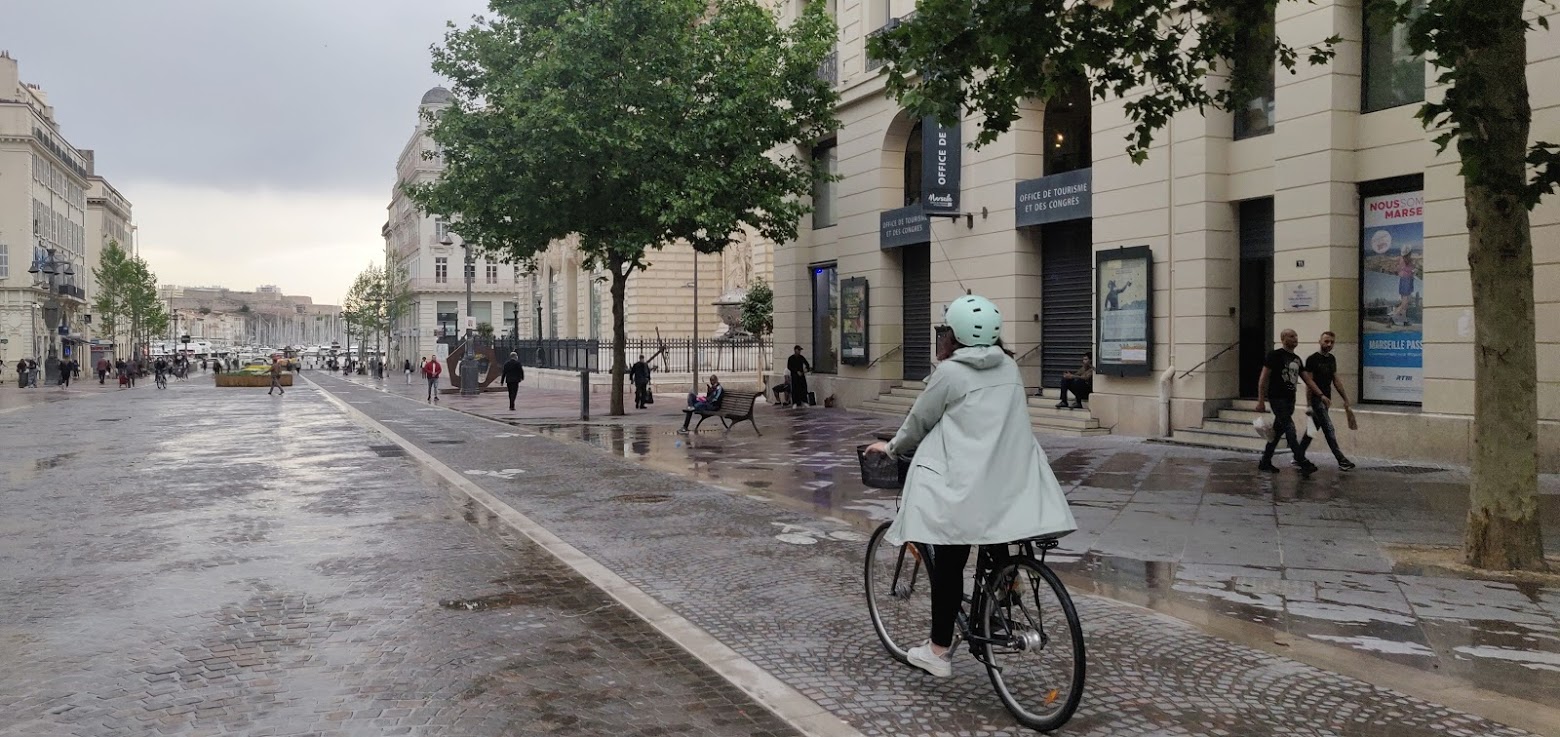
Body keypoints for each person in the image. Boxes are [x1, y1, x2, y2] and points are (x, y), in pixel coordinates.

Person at [864, 295, 1077, 678]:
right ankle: (1000, 599)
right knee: (996, 535)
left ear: (955, 335)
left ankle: (938, 651)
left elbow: (918, 422)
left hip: (964, 487)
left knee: (950, 560)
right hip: (1010, 483)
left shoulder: (950, 373)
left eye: (944, 330)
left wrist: (891, 447)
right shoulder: (1010, 367)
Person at [1255, 328, 1316, 475]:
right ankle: (1302, 461)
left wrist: (1320, 394)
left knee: (1277, 431)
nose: (1295, 338)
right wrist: (1261, 400)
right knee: (1290, 428)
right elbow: (1263, 378)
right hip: (1277, 398)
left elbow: (1307, 379)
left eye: (1296, 336)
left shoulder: (1297, 359)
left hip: (1290, 400)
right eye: (1291, 336)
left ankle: (1265, 461)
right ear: (1283, 339)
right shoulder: (1274, 355)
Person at [1297, 331, 1356, 471]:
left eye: (1332, 342)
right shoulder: (1312, 359)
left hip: (1326, 400)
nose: (1329, 344)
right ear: (1320, 341)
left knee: (1311, 430)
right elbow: (1309, 382)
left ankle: (1297, 455)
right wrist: (1309, 404)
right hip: (1317, 400)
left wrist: (1346, 399)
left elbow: (1336, 380)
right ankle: (1341, 459)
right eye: (1326, 341)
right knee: (1329, 428)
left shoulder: (1331, 359)